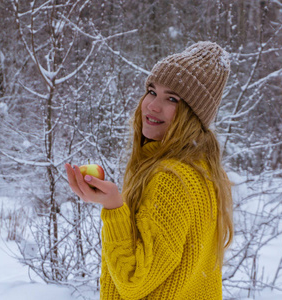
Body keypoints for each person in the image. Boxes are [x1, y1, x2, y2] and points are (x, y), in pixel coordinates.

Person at [65, 41, 234, 300]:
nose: (152, 105)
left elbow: (134, 281)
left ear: (193, 115)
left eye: (172, 99)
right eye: (152, 91)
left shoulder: (171, 179)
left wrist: (113, 208)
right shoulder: (203, 170)